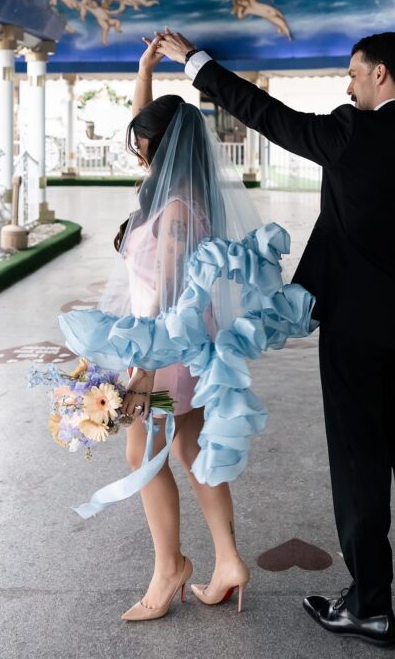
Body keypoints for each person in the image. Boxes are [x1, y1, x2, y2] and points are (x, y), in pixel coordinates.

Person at [157, 27, 395, 648]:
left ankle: (370, 606)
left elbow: (267, 115)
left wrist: (195, 63)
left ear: (381, 74)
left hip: (355, 328)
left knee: (359, 464)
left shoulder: (352, 132)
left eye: (354, 72)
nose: (348, 83)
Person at [115, 35, 250, 622]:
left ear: (160, 149)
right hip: (188, 347)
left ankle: (170, 568)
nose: (136, 149)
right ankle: (227, 561)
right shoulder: (173, 193)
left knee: (141, 452)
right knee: (192, 448)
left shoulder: (171, 211)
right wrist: (145, 70)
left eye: (143, 143)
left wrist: (141, 373)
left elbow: (168, 298)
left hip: (166, 349)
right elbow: (148, 127)